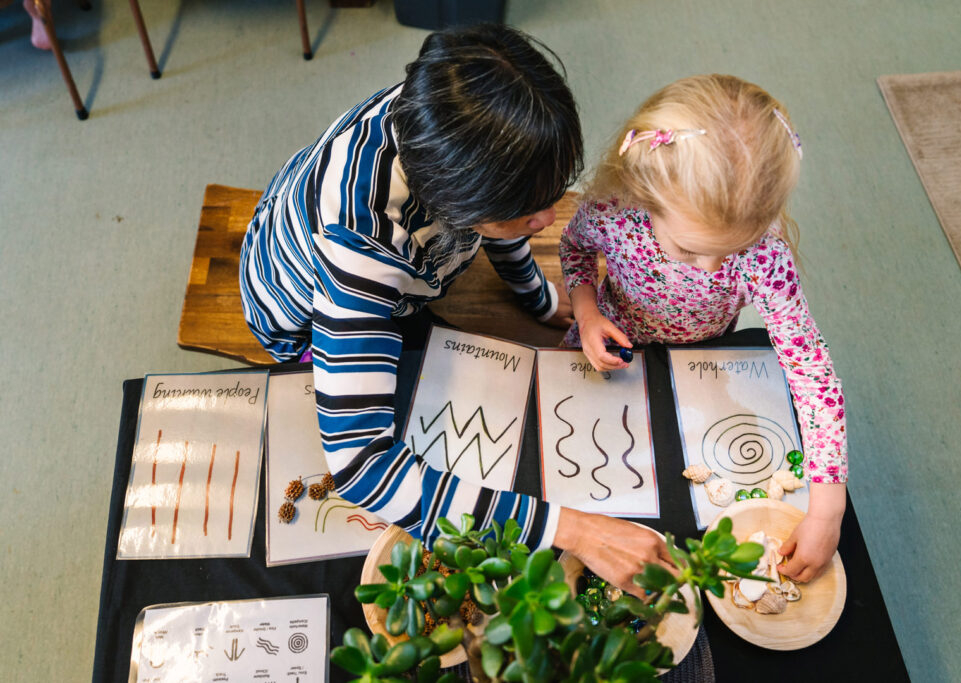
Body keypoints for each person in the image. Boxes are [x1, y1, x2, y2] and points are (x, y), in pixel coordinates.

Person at [240, 24, 675, 595]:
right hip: (298, 312)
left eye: (550, 195)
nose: (546, 220)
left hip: (396, 265)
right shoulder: (361, 245)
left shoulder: (449, 117)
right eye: (525, 208)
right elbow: (360, 468)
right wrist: (579, 532)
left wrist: (539, 298)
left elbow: (497, 213)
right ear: (457, 196)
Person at [560, 74, 847, 582]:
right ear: (643, 194)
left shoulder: (765, 255)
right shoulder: (615, 211)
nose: (715, 269)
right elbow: (576, 250)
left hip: (707, 357)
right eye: (692, 251)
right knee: (588, 465)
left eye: (733, 249)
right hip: (614, 339)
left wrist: (827, 510)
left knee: (686, 494)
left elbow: (812, 373)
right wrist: (585, 311)